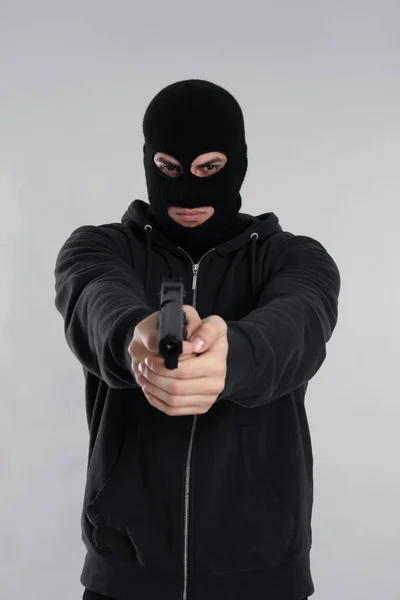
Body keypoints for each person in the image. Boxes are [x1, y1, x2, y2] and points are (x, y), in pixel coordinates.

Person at [54, 79, 340, 600]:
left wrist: (236, 356)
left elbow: (302, 319)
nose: (187, 191)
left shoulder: (297, 258)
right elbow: (93, 296)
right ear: (147, 162)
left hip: (263, 579)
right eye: (168, 168)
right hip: (124, 579)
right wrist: (134, 339)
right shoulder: (97, 247)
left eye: (210, 168)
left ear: (239, 162)